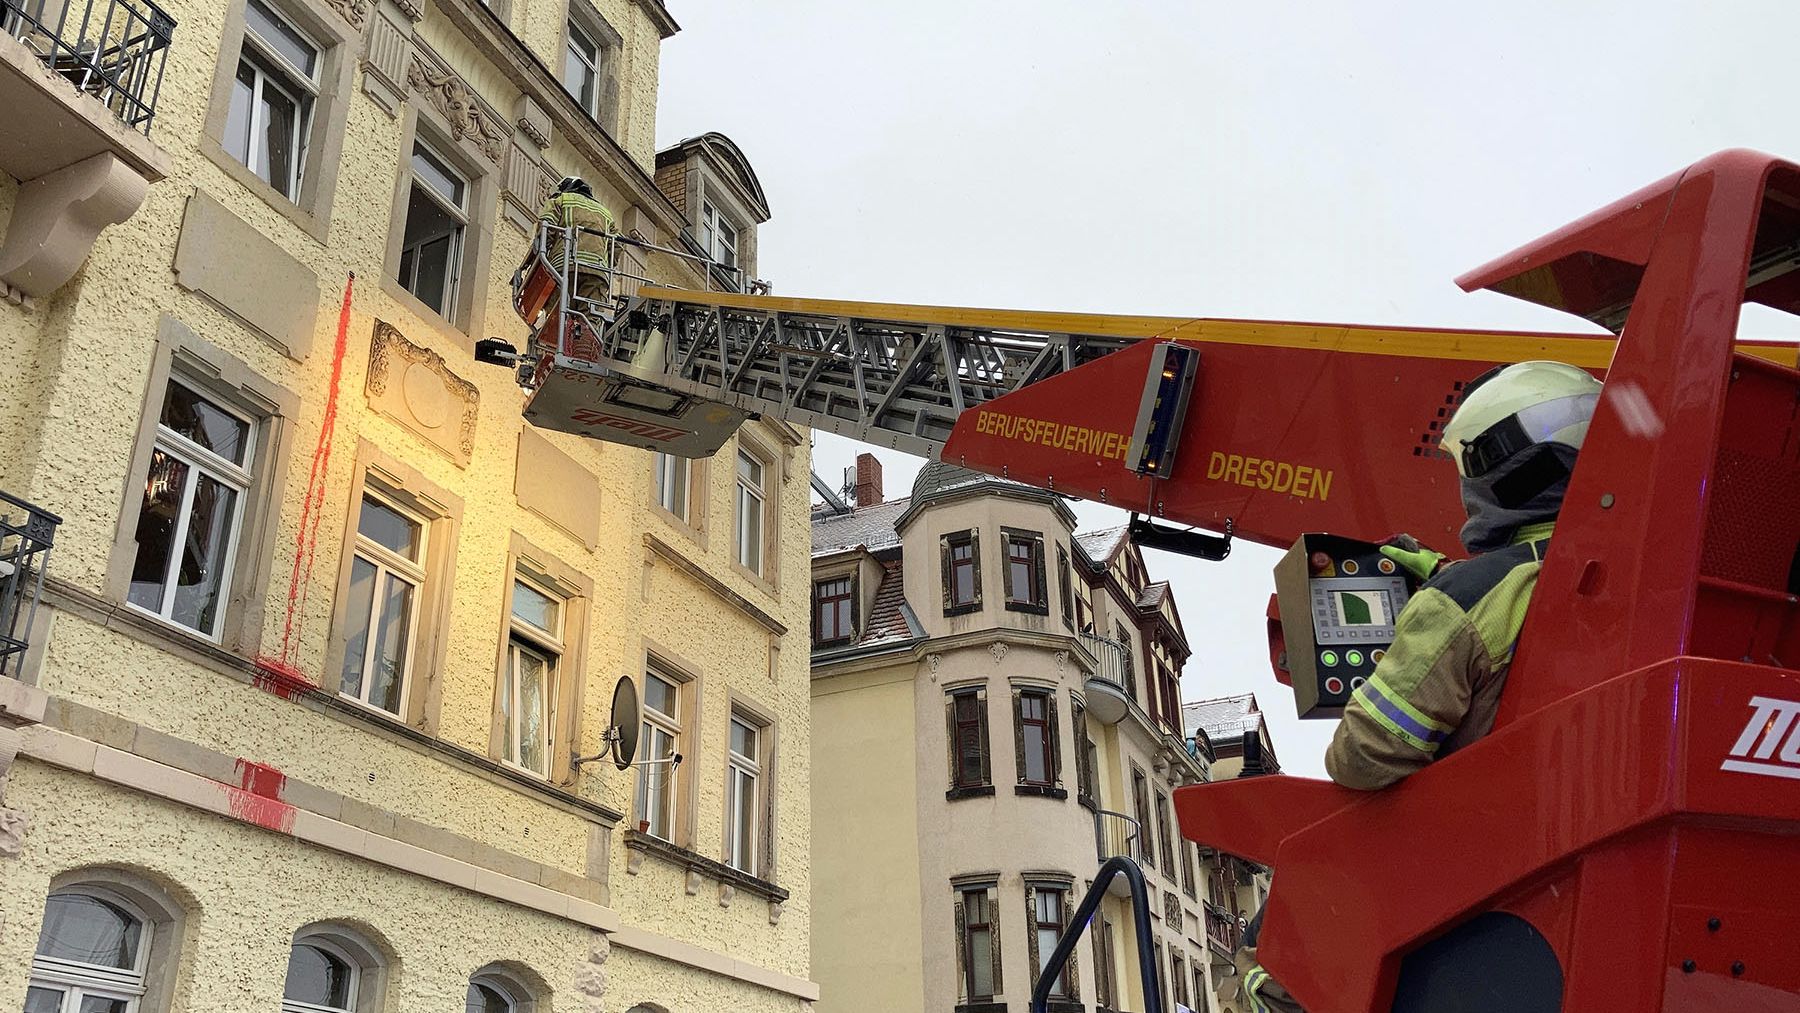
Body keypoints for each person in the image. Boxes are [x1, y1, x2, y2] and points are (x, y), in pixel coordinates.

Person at [1237, 360, 1604, 1013]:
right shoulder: (1619, 571)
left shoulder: (1459, 604)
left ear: (1500, 468)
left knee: (1282, 926)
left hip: (1471, 860)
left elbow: (1363, 758)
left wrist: (1436, 600)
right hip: (1569, 836)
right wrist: (1444, 575)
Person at [538, 176, 618, 310]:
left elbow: (546, 229)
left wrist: (540, 260)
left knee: (559, 317)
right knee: (590, 322)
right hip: (597, 273)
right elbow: (617, 246)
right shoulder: (605, 213)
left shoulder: (560, 200)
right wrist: (605, 264)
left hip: (564, 267)